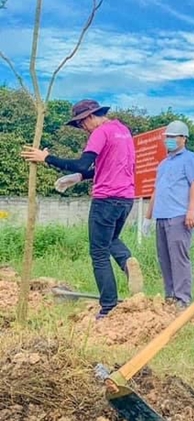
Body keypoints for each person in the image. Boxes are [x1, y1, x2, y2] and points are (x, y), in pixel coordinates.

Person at [21, 99, 143, 319]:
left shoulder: (100, 132)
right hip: (126, 198)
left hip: (105, 199)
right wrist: (78, 178)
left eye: (81, 123)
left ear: (90, 116)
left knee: (99, 253)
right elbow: (103, 167)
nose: (82, 128)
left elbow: (82, 164)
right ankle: (127, 262)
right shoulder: (123, 131)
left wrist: (46, 158)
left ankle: (108, 307)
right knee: (111, 239)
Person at [141, 120, 194, 310]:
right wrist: (147, 218)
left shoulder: (190, 159)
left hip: (178, 215)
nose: (169, 140)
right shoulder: (163, 164)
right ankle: (170, 296)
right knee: (165, 258)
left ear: (184, 138)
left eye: (173, 137)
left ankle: (183, 298)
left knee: (178, 258)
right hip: (161, 215)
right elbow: (156, 190)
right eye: (167, 136)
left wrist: (191, 210)